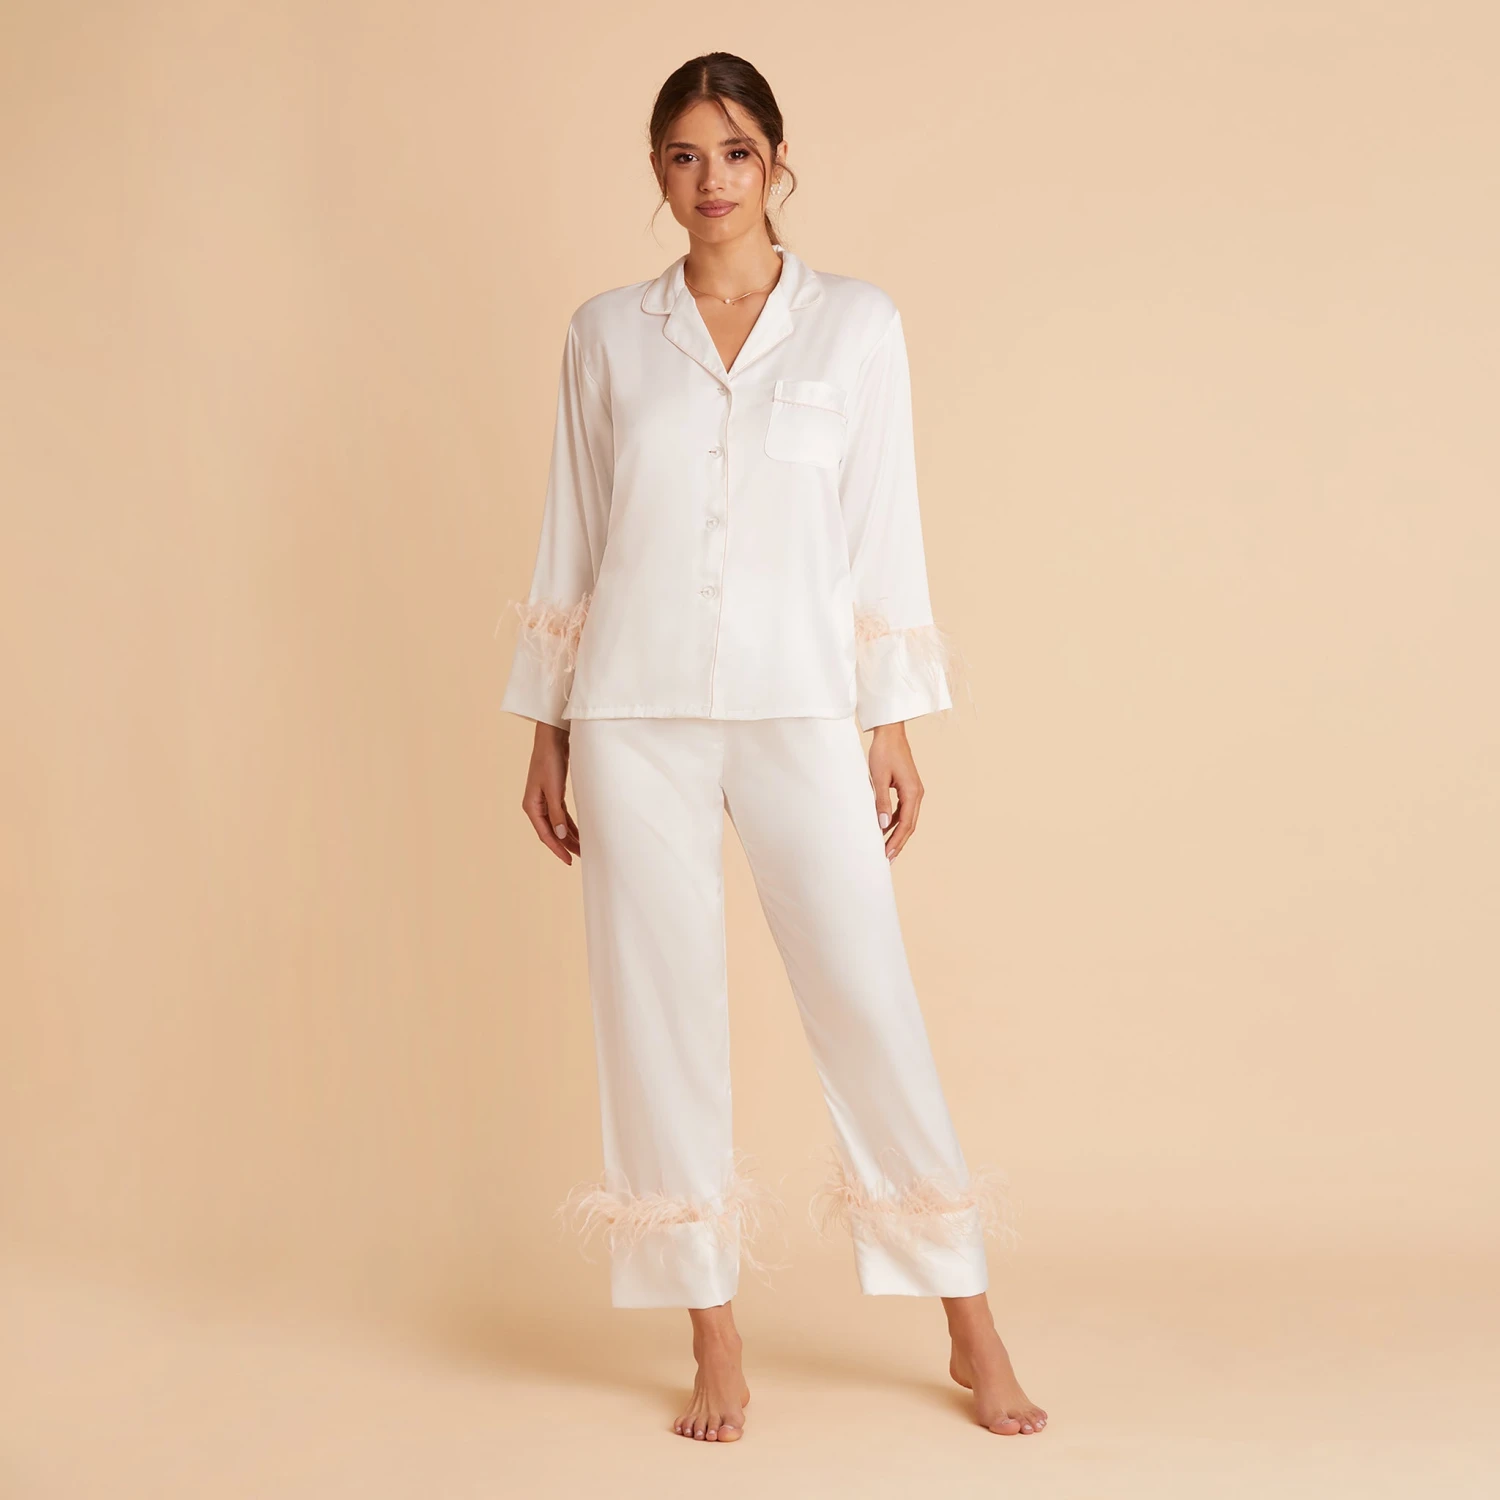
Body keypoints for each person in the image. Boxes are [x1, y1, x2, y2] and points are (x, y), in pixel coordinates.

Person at [498, 51, 1047, 1443]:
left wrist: (890, 719)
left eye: (735, 152)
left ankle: (969, 1321)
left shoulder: (855, 326)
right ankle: (713, 1337)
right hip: (633, 713)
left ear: (777, 162)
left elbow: (881, 532)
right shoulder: (608, 335)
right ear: (657, 172)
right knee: (656, 1017)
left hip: (802, 705)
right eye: (685, 156)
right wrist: (548, 726)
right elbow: (574, 533)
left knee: (868, 996)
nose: (711, 181)